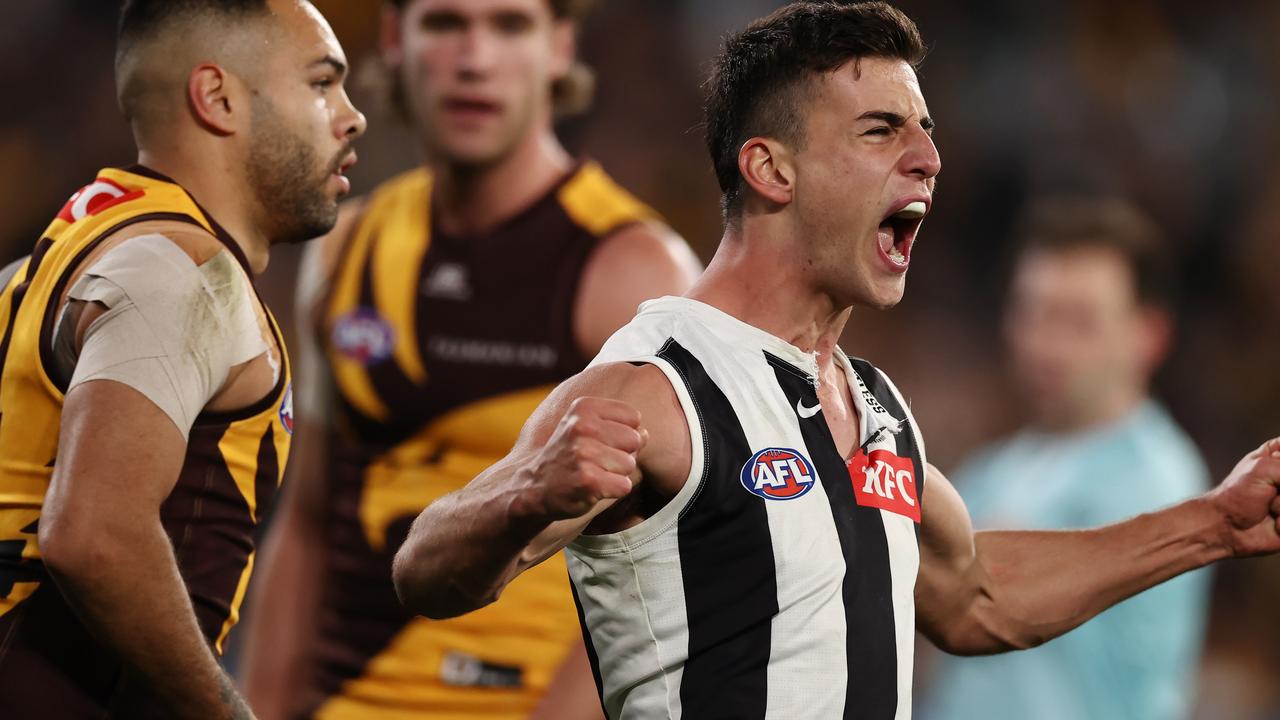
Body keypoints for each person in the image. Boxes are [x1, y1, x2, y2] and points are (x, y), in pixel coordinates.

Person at [388, 3, 1280, 719]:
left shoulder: (877, 407)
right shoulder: (656, 386)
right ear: (771, 170)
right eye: (881, 131)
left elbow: (972, 596)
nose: (929, 158)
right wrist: (524, 489)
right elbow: (425, 570)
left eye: (925, 130)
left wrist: (1215, 525)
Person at [238, 0, 699, 719]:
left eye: (510, 25)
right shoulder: (346, 249)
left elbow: (673, 572)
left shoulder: (634, 269)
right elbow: (308, 521)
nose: (474, 58)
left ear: (560, 46)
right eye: (446, 22)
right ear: (396, 39)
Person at [0, 0, 365, 718]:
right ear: (218, 98)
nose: (350, 116)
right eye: (322, 83)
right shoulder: (181, 272)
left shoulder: (51, 258)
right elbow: (95, 537)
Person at [919, 198, 1211, 720]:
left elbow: (985, 592)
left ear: (1149, 335)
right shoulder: (988, 470)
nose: (1045, 344)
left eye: (1078, 321)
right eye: (1031, 312)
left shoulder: (1160, 480)